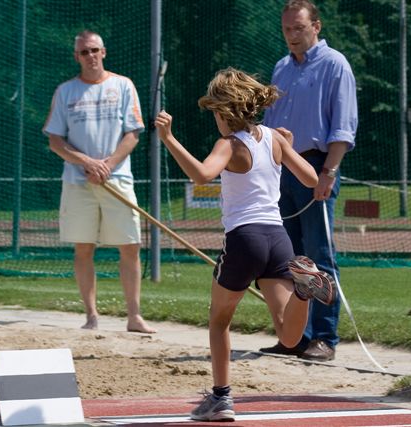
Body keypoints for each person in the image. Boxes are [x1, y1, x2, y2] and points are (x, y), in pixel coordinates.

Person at [155, 67, 337, 422]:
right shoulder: (275, 137)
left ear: (224, 113)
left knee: (219, 320)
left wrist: (169, 138)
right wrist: (286, 143)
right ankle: (304, 290)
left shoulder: (228, 143)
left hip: (244, 239)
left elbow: (202, 175)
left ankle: (221, 398)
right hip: (278, 239)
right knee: (288, 335)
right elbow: (313, 178)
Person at [261, 0, 358, 361]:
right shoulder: (281, 68)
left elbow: (343, 127)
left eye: (299, 28)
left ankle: (324, 338)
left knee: (319, 255)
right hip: (282, 166)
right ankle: (294, 337)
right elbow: (270, 125)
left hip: (316, 165)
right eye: (287, 29)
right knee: (290, 257)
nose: (292, 36)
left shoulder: (335, 64)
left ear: (316, 26)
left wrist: (328, 172)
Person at [43, 31, 155, 333]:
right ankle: (91, 316)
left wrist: (107, 164)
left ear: (103, 52)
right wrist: (87, 163)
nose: (90, 56)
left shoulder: (122, 86)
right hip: (79, 181)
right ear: (76, 56)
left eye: (94, 50)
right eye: (83, 52)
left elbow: (133, 133)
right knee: (83, 247)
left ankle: (134, 316)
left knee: (130, 245)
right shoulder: (65, 91)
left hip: (116, 177)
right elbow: (55, 139)